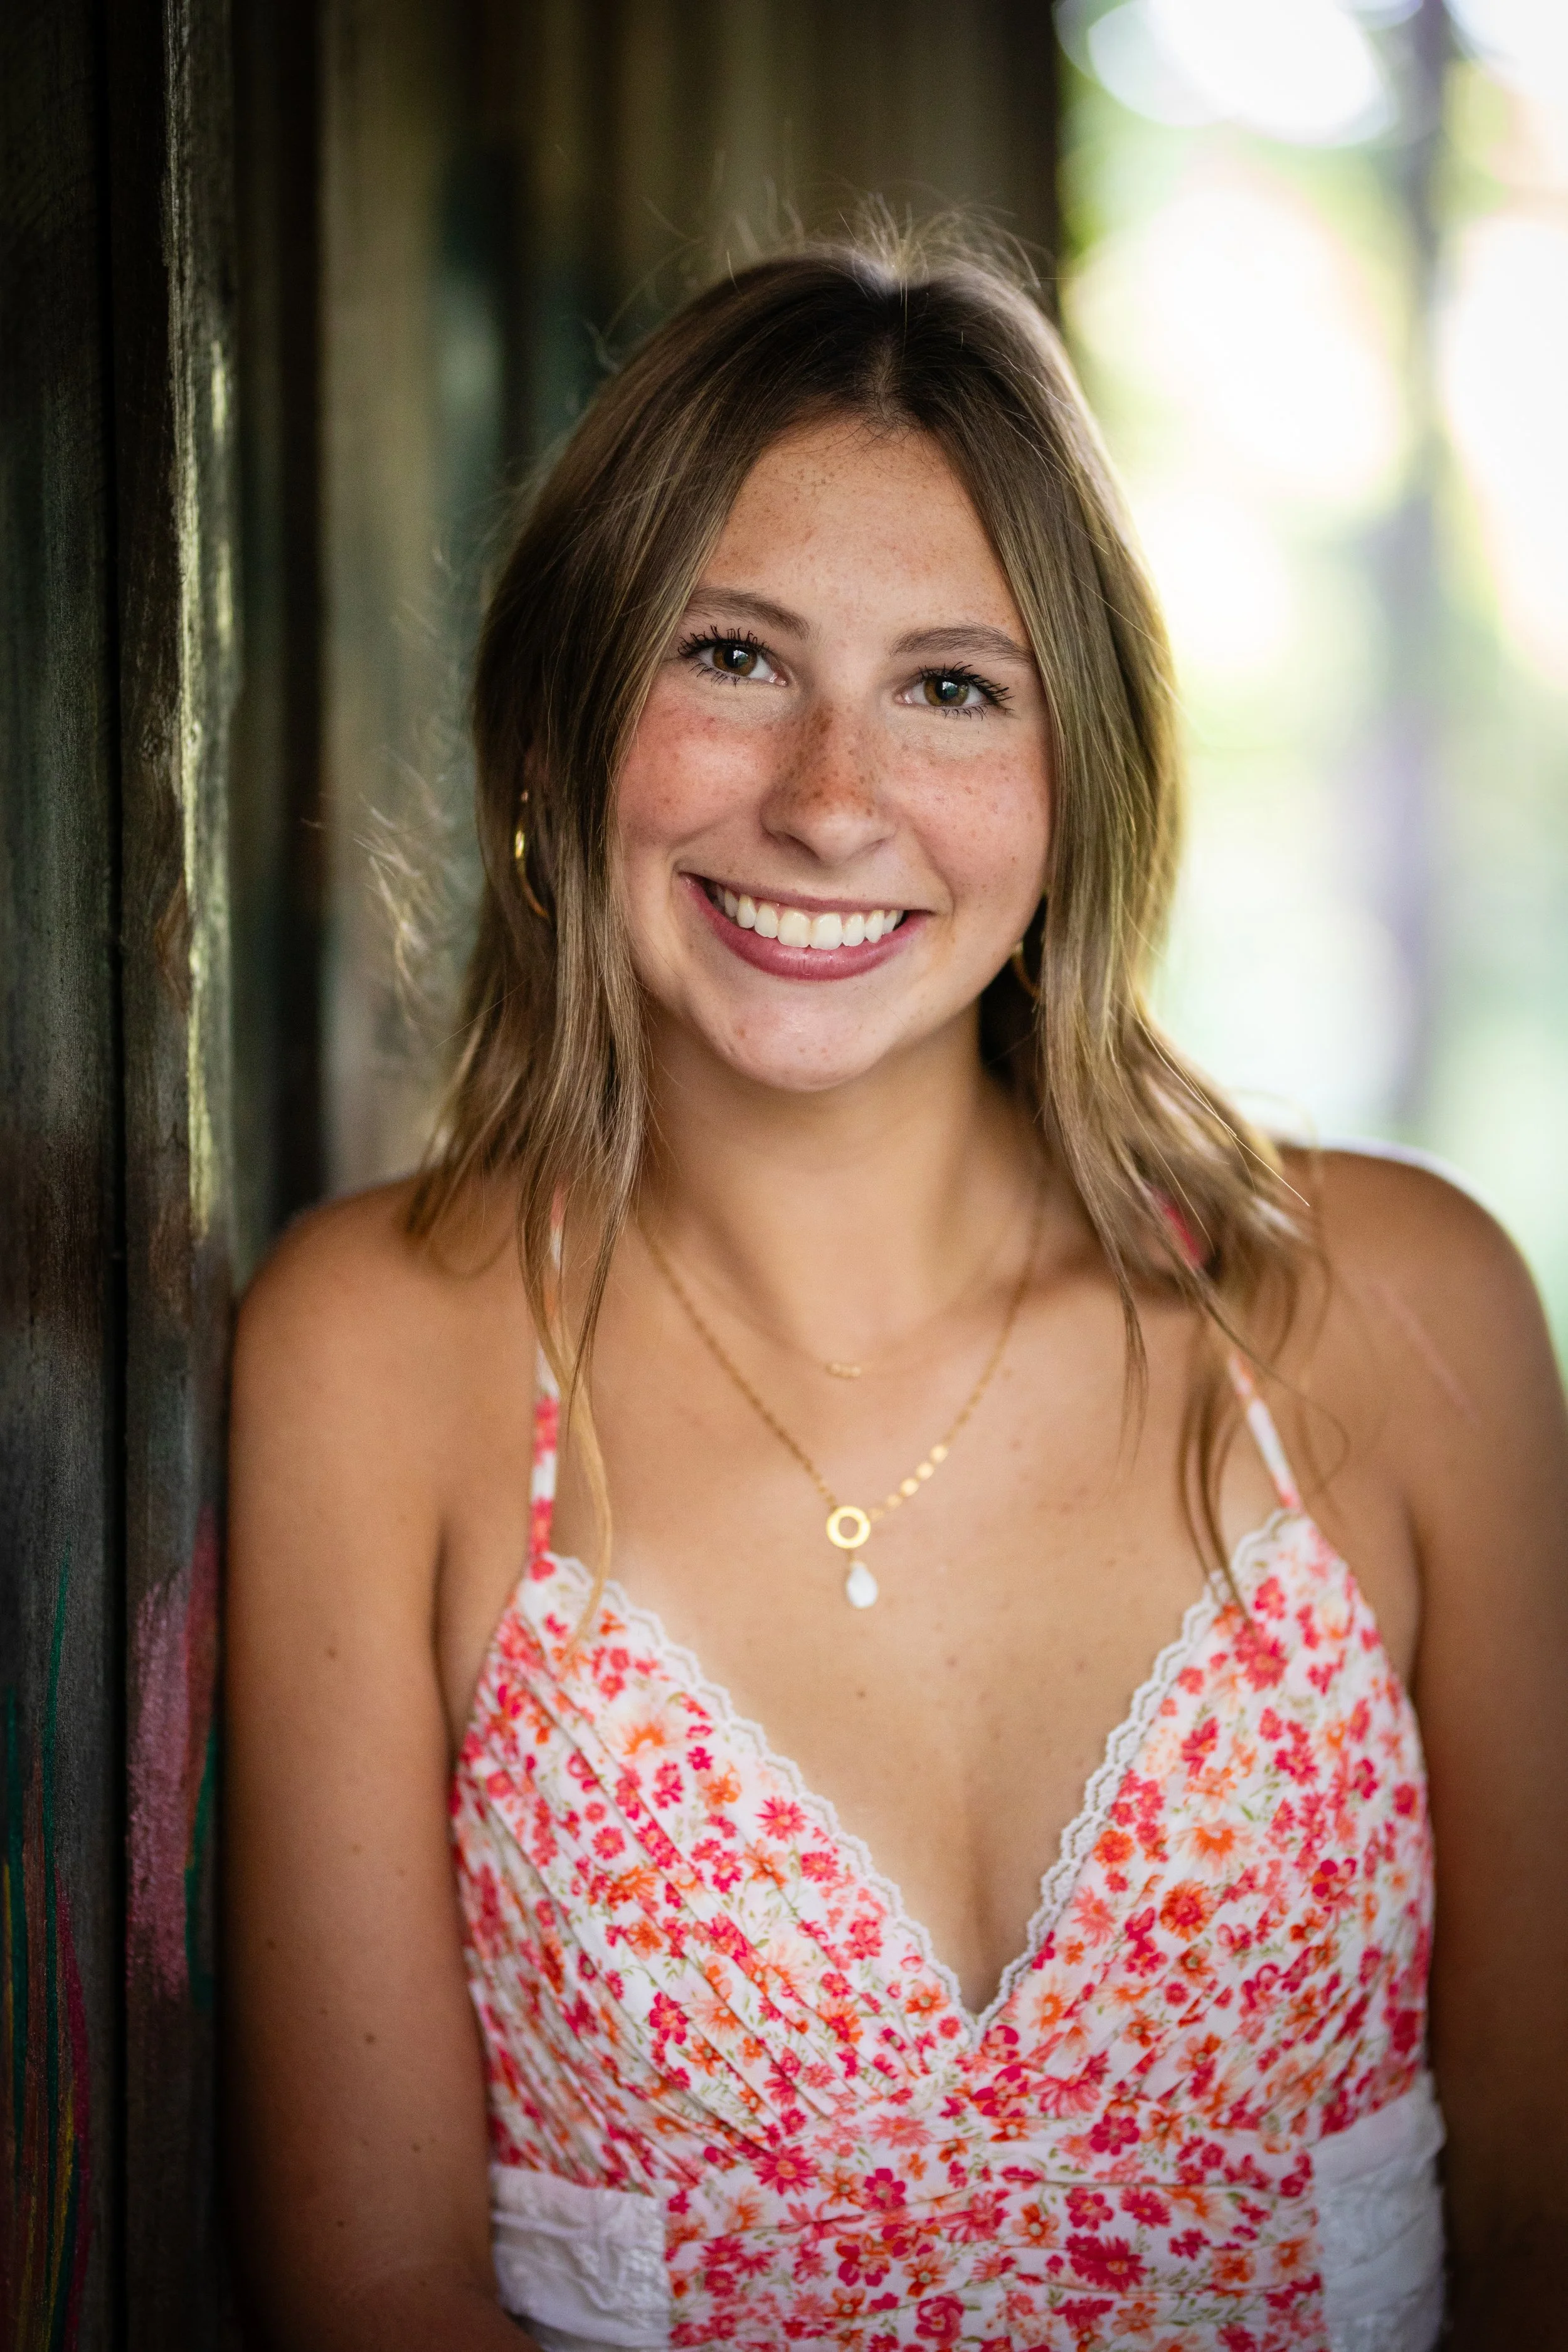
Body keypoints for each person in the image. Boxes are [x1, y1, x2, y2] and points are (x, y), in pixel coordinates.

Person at [226, 228, 1567, 2352]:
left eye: (951, 686)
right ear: (571, 711)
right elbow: (375, 2289)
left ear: (1077, 773)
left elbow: (1543, 2216)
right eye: (732, 657)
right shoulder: (378, 1354)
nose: (829, 802)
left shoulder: (1393, 1320)